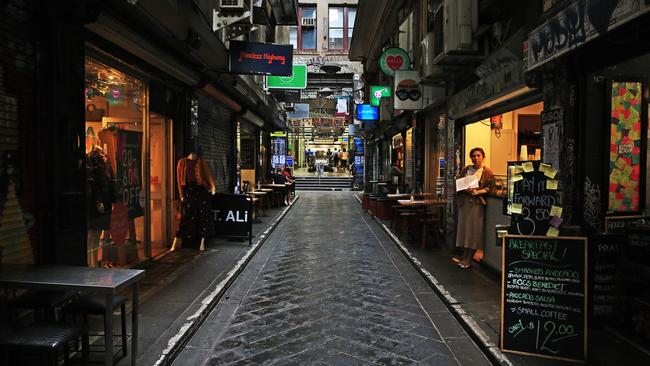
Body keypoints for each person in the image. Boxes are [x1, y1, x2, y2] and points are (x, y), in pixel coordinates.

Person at [455, 147, 494, 268]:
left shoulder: (487, 171)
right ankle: (464, 257)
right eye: (473, 156)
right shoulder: (466, 169)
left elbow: (491, 187)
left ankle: (469, 259)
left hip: (477, 205)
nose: (476, 158)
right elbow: (458, 183)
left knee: (474, 232)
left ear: (483, 157)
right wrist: (464, 188)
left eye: (478, 155)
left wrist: (478, 192)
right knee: (464, 230)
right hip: (465, 203)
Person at [171, 150, 216, 251]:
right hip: (188, 191)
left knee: (203, 216)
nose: (193, 155)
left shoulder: (201, 162)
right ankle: (175, 242)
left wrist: (212, 187)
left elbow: (208, 175)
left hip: (200, 190)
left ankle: (202, 242)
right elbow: (179, 180)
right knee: (185, 216)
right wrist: (181, 195)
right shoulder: (181, 162)